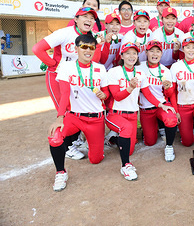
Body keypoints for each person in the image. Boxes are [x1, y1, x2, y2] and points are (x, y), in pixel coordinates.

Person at [32, 7, 102, 160]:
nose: (89, 20)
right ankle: (67, 146)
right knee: (64, 112)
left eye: (92, 18)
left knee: (76, 110)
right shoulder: (65, 32)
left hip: (77, 78)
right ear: (76, 19)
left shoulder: (93, 37)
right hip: (58, 76)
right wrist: (52, 63)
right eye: (85, 16)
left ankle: (74, 141)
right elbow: (37, 48)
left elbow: (95, 61)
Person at [47, 33, 109, 191]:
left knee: (95, 159)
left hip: (96, 119)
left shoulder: (100, 69)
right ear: (76, 48)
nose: (88, 50)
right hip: (74, 117)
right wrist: (60, 117)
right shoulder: (67, 67)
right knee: (55, 136)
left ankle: (91, 142)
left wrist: (104, 95)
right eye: (84, 47)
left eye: (91, 47)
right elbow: (64, 94)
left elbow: (107, 93)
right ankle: (61, 172)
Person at [106, 42, 162, 181]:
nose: (132, 56)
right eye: (128, 53)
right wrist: (130, 88)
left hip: (132, 115)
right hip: (115, 113)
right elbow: (117, 96)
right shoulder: (114, 71)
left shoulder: (140, 73)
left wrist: (161, 105)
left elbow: (148, 94)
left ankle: (112, 138)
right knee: (126, 130)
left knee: (129, 149)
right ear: (122, 55)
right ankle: (125, 166)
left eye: (134, 53)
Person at [137, 41, 178, 161]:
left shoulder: (165, 70)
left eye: (158, 51)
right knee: (149, 142)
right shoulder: (139, 67)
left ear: (161, 53)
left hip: (162, 106)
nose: (155, 54)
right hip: (146, 108)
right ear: (146, 52)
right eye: (152, 50)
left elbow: (170, 94)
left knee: (171, 119)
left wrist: (168, 88)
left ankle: (169, 146)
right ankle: (152, 129)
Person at [169, 38, 194, 146]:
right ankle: (192, 129)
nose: (190, 50)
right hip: (182, 105)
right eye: (187, 47)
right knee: (188, 142)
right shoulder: (175, 67)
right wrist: (176, 110)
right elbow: (172, 91)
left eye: (193, 47)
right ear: (183, 49)